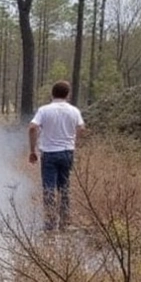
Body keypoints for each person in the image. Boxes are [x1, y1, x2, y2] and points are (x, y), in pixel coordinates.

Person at [28, 80, 87, 231]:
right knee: (65, 187)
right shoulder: (74, 111)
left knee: (49, 188)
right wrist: (74, 142)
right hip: (68, 152)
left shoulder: (44, 110)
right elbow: (81, 128)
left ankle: (49, 222)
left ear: (52, 94)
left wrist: (32, 150)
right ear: (68, 94)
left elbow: (33, 127)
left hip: (49, 153)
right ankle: (65, 222)